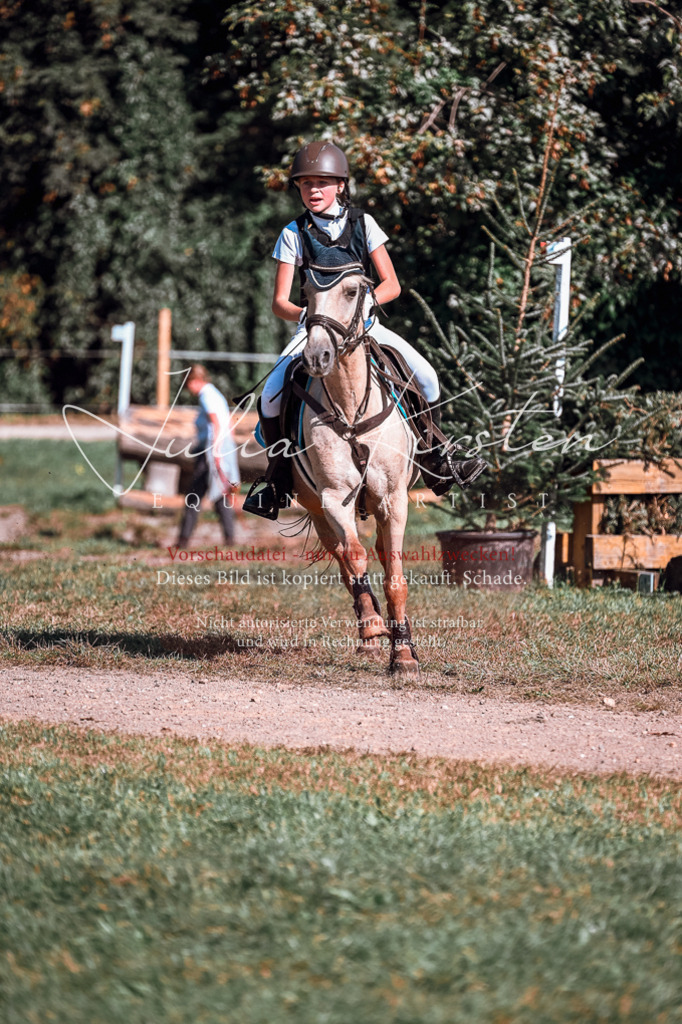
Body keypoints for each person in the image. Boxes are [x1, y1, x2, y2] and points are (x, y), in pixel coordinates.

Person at [243, 140, 483, 520]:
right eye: (306, 184)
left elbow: (391, 283)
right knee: (271, 395)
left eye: (322, 182)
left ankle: (436, 455)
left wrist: (369, 304)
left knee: (429, 378)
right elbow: (279, 303)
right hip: (317, 329)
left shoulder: (363, 223)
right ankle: (276, 479)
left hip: (364, 327)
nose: (313, 190)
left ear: (341, 185)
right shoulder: (293, 232)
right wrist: (310, 318)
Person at [177, 365, 240, 547]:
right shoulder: (215, 394)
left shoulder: (207, 396)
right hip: (218, 448)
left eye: (188, 384)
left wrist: (216, 453)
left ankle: (183, 540)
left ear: (195, 381)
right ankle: (230, 539)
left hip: (211, 451)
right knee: (219, 494)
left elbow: (217, 425)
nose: (188, 389)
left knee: (194, 496)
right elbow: (229, 424)